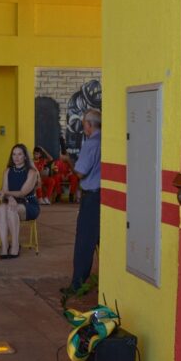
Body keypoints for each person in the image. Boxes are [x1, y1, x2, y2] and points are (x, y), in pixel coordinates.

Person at [66, 109, 101, 293]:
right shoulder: (106, 141)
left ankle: (77, 284)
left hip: (92, 198)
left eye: (83, 123)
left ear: (88, 124)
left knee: (84, 242)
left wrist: (68, 161)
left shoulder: (91, 144)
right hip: (104, 196)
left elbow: (80, 172)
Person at [0, 144, 40, 259]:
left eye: (20, 154)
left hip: (28, 204)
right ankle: (5, 247)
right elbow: (5, 191)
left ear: (25, 157)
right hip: (12, 202)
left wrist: (6, 194)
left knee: (11, 209)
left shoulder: (32, 172)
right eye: (14, 154)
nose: (16, 157)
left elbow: (22, 192)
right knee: (1, 208)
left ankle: (15, 245)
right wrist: (9, 197)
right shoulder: (7, 171)